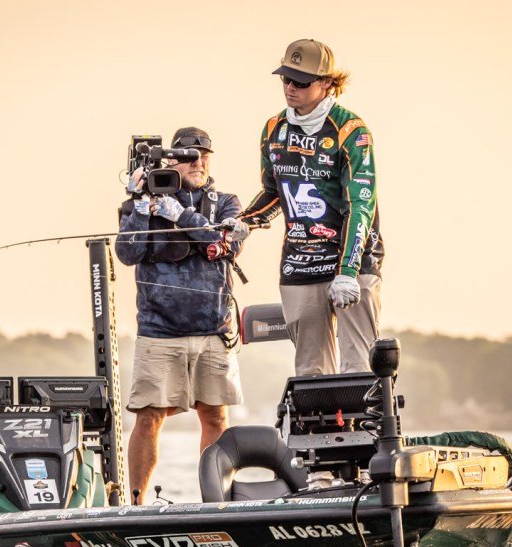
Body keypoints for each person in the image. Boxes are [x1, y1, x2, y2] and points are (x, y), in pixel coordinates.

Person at [238, 38, 384, 376]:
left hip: (353, 259)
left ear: (327, 83)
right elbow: (273, 191)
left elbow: (360, 206)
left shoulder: (351, 130)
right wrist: (245, 222)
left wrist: (348, 271)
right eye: (285, 78)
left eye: (300, 82)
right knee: (310, 371)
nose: (290, 87)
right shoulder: (274, 129)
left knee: (358, 367)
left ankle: (359, 412)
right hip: (300, 260)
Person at [115, 127, 247, 500]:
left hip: (213, 330)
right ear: (170, 160)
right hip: (158, 331)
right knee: (149, 418)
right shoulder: (142, 200)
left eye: (204, 156)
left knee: (215, 416)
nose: (198, 163)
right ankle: (136, 504)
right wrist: (141, 206)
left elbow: (228, 243)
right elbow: (127, 254)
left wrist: (182, 215)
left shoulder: (225, 202)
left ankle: (216, 501)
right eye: (189, 157)